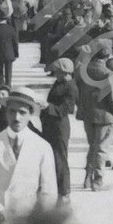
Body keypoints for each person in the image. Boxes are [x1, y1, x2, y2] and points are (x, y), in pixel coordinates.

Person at [0, 89, 56, 224]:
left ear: (30, 115)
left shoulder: (42, 147)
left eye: (22, 112)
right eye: (12, 111)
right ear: (6, 113)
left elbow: (48, 190)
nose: (16, 117)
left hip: (30, 223)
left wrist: (39, 219)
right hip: (0, 223)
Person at [77, 41, 113, 187]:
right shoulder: (109, 74)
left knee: (92, 146)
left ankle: (88, 176)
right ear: (108, 55)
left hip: (88, 114)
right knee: (102, 148)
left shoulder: (83, 71)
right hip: (105, 115)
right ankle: (98, 179)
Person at [39, 58, 78, 200]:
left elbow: (67, 109)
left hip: (59, 127)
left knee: (60, 158)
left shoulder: (70, 86)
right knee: (51, 158)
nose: (54, 74)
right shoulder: (60, 83)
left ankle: (64, 190)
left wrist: (47, 107)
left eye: (57, 71)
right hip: (51, 125)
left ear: (64, 72)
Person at [0, 9, 19, 87]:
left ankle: (2, 84)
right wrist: (16, 54)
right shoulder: (11, 29)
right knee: (8, 70)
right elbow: (15, 43)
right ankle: (8, 84)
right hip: (9, 52)